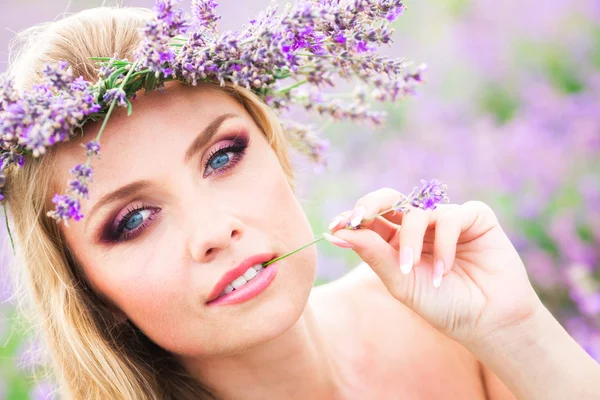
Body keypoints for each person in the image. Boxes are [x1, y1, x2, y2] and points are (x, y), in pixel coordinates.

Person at [2, 4, 599, 400]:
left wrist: (516, 333)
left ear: (276, 149)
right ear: (90, 293)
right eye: (133, 220)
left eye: (221, 157)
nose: (215, 228)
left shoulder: (441, 323)